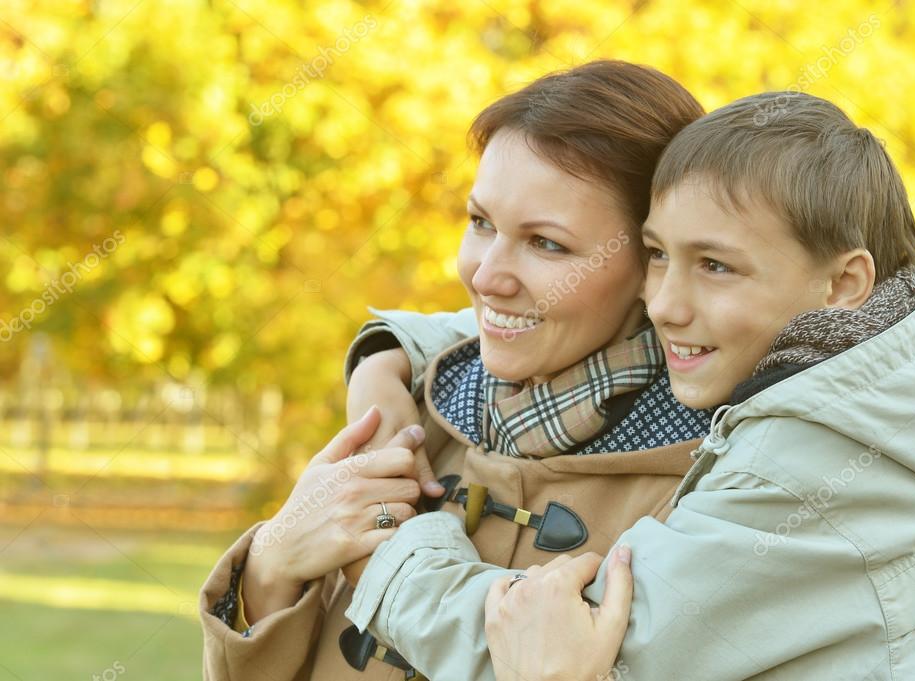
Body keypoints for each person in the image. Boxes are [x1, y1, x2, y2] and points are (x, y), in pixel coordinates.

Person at [340, 92, 915, 680]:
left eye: (715, 266)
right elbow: (541, 310)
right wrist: (390, 351)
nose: (664, 302)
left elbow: (558, 646)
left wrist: (388, 540)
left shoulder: (807, 469)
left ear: (843, 284)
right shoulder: (876, 386)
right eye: (658, 255)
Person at [199, 60, 709, 681]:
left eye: (547, 243)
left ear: (654, 263)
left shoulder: (708, 494)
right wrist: (271, 570)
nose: (485, 275)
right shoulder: (414, 419)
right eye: (480, 223)